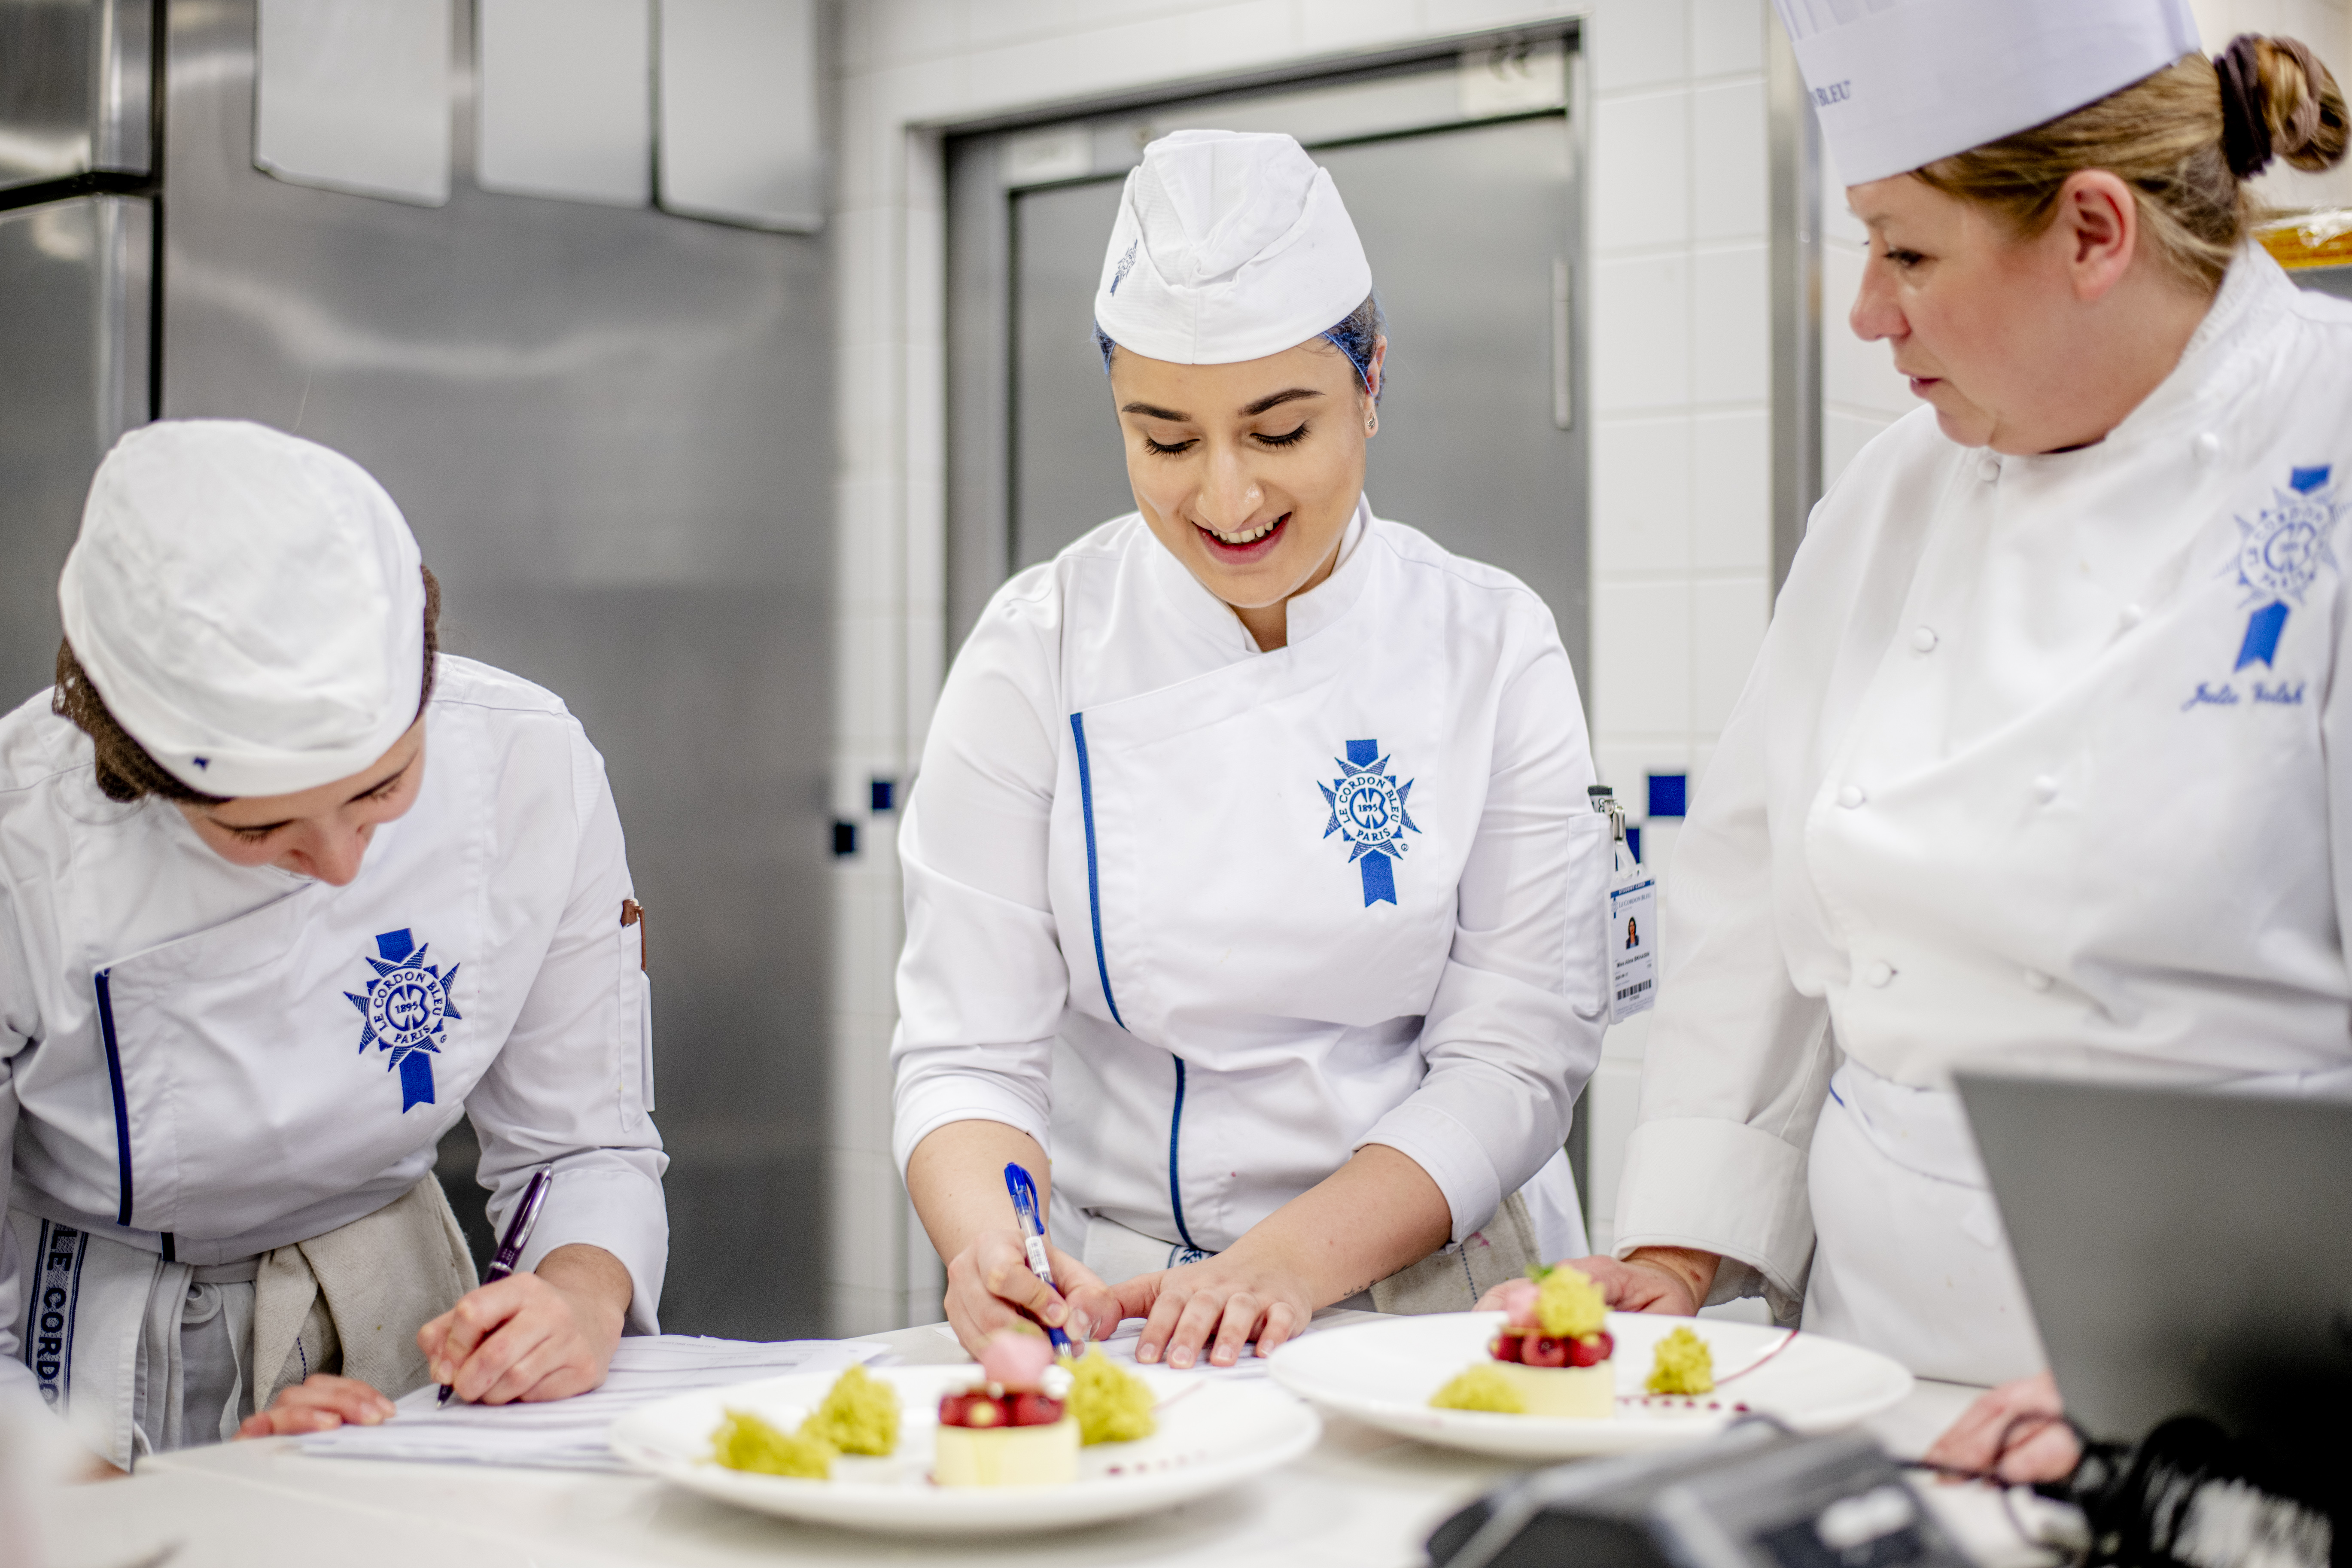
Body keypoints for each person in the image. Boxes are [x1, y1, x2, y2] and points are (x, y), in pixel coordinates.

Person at [1532, 0, 2352, 1481]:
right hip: (1867, 1378)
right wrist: (1682, 1240)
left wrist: (2191, 1355)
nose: (1863, 312)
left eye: (1905, 251)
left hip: (2238, 1405)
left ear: (2093, 231)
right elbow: (1749, 891)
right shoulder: (1892, 492)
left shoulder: (2331, 451)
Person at [892, 130, 1610, 1371]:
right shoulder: (1038, 646)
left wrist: (1282, 1263)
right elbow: (965, 1051)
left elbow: (1513, 1050)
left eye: (1279, 432)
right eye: (1164, 442)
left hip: (1438, 1297)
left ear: (1372, 382)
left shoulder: (1489, 643)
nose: (1225, 499)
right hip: (1124, 1303)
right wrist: (989, 1244)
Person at [0, 421, 667, 1470]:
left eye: (382, 791)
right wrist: (84, 1480)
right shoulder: (20, 831)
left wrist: (577, 1296)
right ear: (140, 774)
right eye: (259, 832)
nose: (344, 863)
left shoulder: (527, 767)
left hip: (393, 1306)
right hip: (61, 1338)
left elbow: (585, 1147)